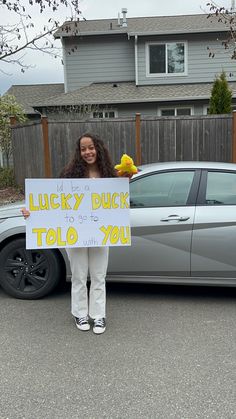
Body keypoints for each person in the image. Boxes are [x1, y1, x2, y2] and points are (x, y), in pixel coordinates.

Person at [22, 132, 130, 335]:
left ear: (98, 148)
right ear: (78, 152)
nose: (88, 152)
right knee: (79, 276)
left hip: (101, 234)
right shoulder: (69, 175)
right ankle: (80, 313)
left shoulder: (111, 176)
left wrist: (126, 182)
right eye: (83, 149)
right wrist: (32, 213)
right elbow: (54, 205)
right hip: (75, 234)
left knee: (99, 276)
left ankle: (98, 316)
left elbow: (120, 202)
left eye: (91, 147)